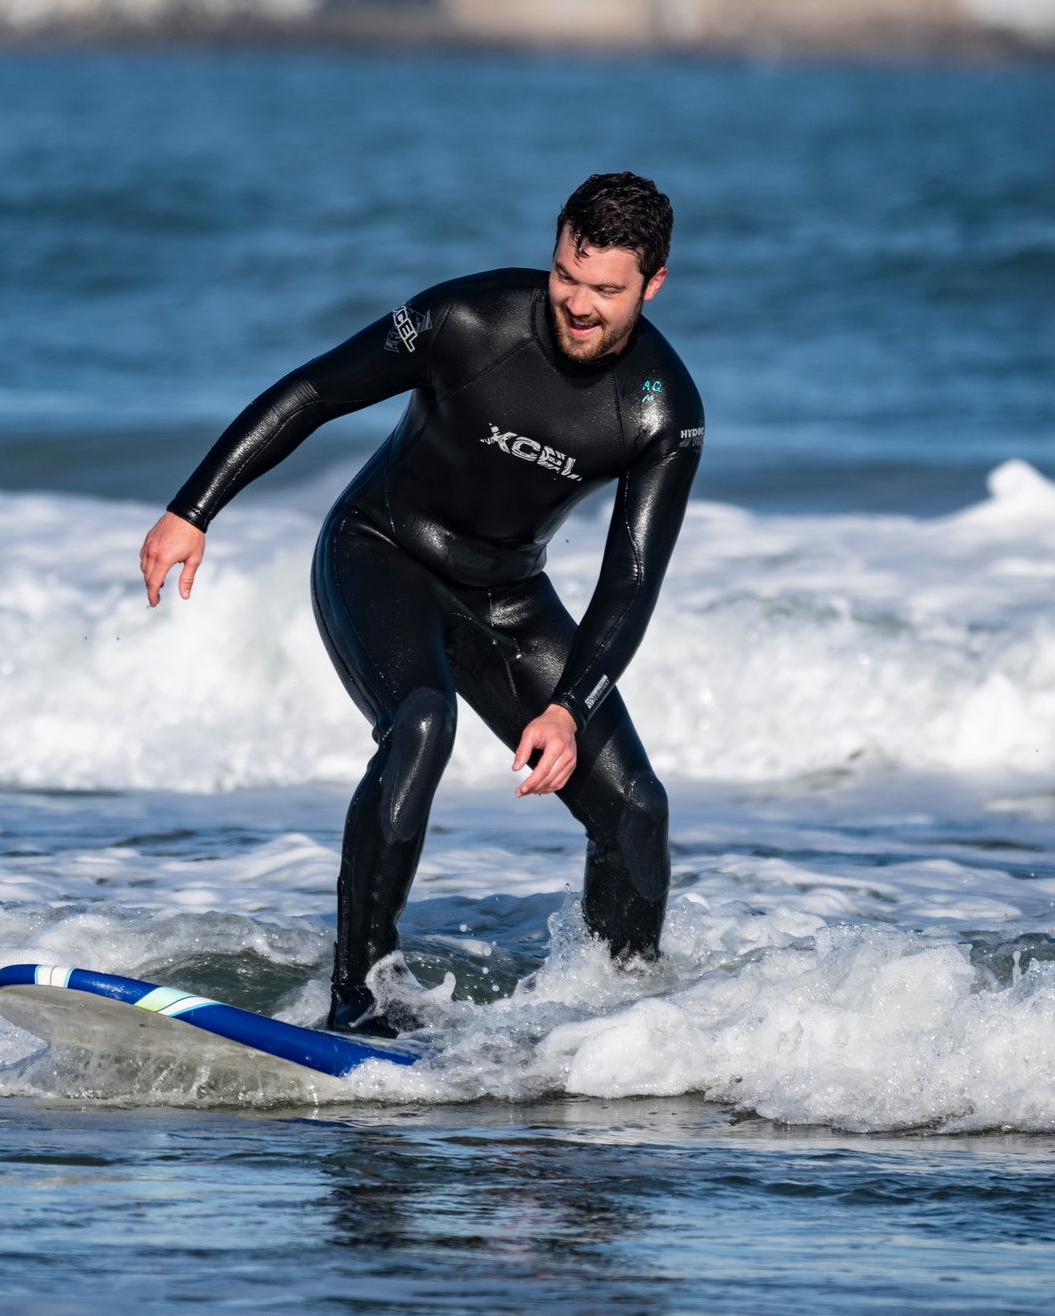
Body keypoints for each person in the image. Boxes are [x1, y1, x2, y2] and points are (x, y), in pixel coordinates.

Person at [138, 173, 703, 1038]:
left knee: (636, 806)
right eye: (564, 275)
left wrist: (567, 705)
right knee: (422, 725)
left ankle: (616, 1017)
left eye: (606, 289)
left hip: (507, 597)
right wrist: (193, 508)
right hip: (380, 551)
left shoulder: (664, 408)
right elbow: (315, 391)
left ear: (653, 283)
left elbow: (630, 579)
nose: (578, 305)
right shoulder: (466, 321)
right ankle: (358, 997)